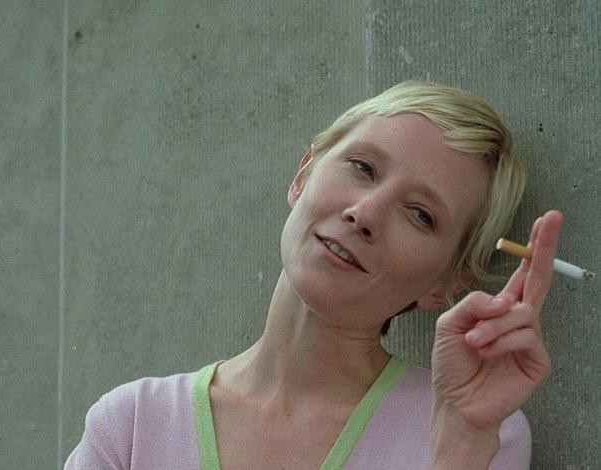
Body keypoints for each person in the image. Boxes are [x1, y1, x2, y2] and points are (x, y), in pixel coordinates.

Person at [64, 81, 560, 469]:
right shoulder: (131, 427)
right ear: (303, 174)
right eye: (362, 167)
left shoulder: (481, 432)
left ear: (447, 284)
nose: (365, 213)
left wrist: (460, 449)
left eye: (420, 215)